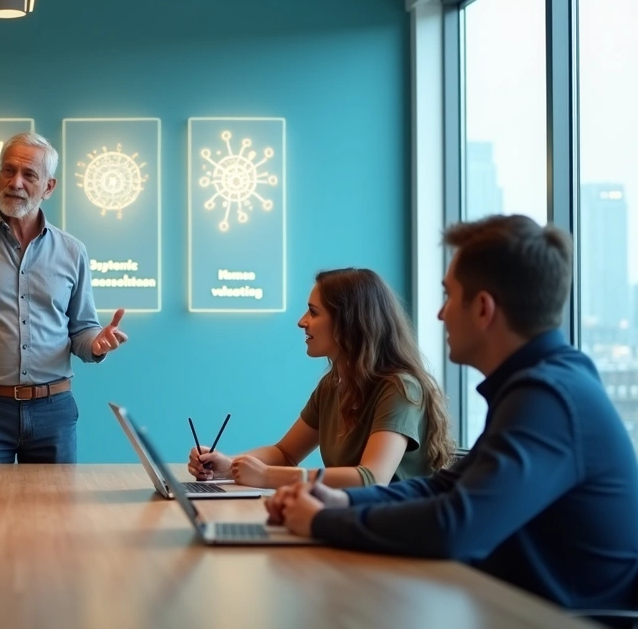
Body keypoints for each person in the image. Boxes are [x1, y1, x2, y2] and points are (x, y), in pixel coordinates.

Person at [268, 215, 638, 612]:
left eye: (448, 296)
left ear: (483, 309)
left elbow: (456, 525)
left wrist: (321, 521)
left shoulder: (548, 398)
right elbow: (440, 488)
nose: (440, 314)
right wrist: (339, 502)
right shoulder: (539, 386)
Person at [0, 131, 129, 463]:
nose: (15, 182)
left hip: (54, 411)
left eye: (29, 174)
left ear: (49, 187)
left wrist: (96, 343)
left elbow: (82, 331)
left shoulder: (72, 251)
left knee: (56, 501)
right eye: (8, 170)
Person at [188, 268, 456, 489]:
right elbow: (286, 453)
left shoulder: (399, 389)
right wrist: (229, 465)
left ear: (349, 323)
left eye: (313, 312)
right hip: (353, 519)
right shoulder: (332, 385)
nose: (301, 322)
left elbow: (372, 478)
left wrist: (267, 476)